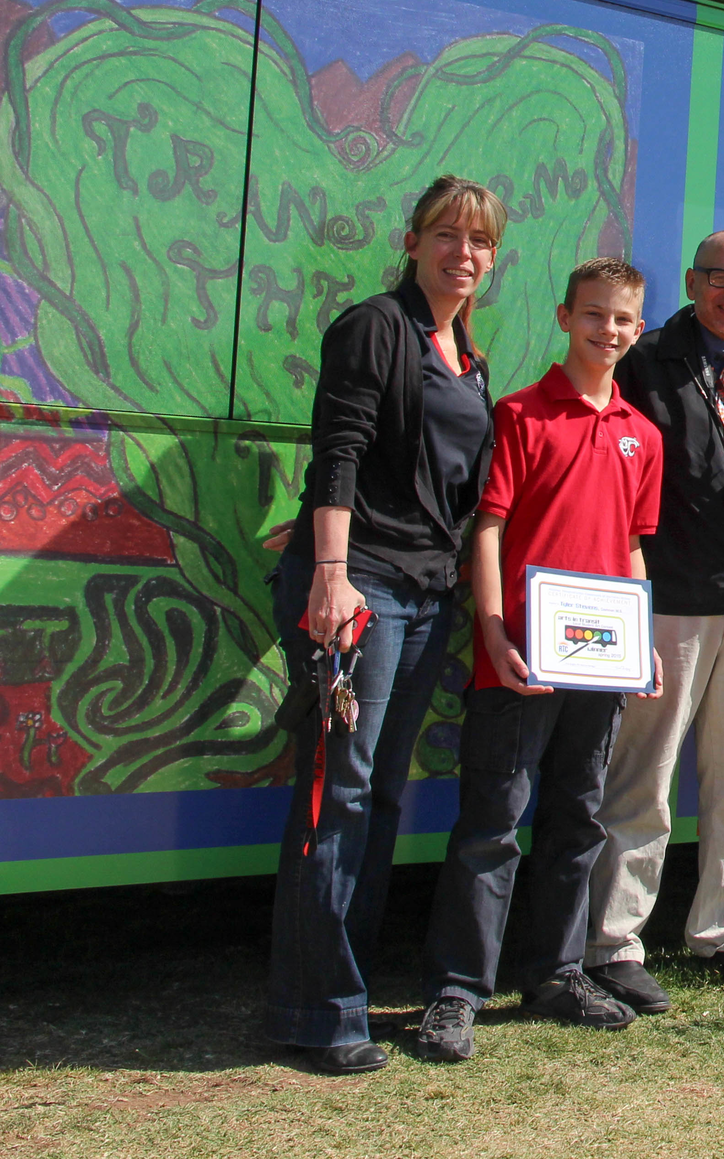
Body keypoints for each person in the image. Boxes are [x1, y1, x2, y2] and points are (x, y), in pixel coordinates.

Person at [262, 176, 505, 1074]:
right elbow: (340, 453)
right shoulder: (374, 327)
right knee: (339, 793)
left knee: (382, 795)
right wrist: (329, 576)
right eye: (447, 235)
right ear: (412, 242)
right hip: (359, 589)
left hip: (427, 595)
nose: (463, 254)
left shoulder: (466, 357)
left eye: (479, 242)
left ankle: (347, 986)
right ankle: (313, 1012)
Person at [415, 259, 664, 1061]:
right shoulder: (520, 415)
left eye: (624, 320)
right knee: (493, 824)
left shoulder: (642, 434)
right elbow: (486, 529)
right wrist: (491, 629)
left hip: (601, 665)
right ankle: (458, 990)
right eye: (595, 316)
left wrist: (643, 640)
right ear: (565, 317)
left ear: (637, 328)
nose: (609, 331)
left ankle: (555, 973)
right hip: (520, 660)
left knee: (577, 819)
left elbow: (629, 549)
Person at [586, 231, 724, 1006]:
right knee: (642, 778)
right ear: (692, 281)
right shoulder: (647, 363)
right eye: (720, 278)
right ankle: (613, 942)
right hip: (674, 601)